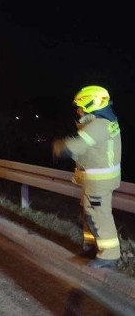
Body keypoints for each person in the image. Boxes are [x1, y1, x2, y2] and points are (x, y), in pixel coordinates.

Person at [52, 85, 122, 269]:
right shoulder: (103, 122)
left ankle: (109, 256)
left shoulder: (98, 126)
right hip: (96, 181)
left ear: (92, 104)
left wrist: (58, 146)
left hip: (99, 182)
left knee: (99, 215)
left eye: (80, 106)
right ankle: (91, 247)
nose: (78, 110)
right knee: (89, 213)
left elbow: (74, 147)